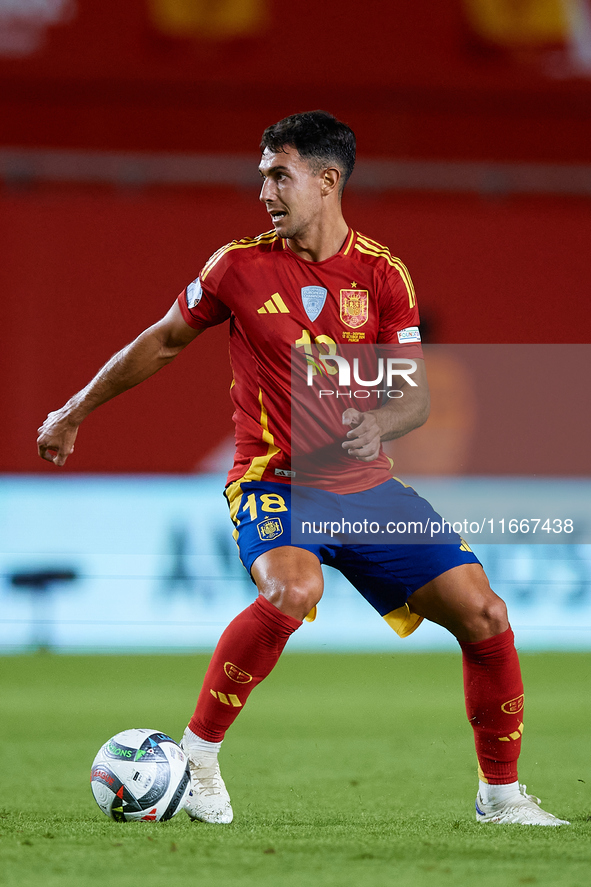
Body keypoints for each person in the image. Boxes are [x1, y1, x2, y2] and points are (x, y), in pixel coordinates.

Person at [37, 110, 568, 827]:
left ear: (326, 180)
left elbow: (412, 396)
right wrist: (74, 409)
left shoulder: (381, 275)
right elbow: (163, 340)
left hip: (366, 489)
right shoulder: (235, 267)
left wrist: (374, 423)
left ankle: (500, 796)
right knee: (292, 587)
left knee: (486, 614)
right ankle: (197, 759)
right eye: (262, 175)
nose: (264, 191)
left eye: (278, 174)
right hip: (273, 482)